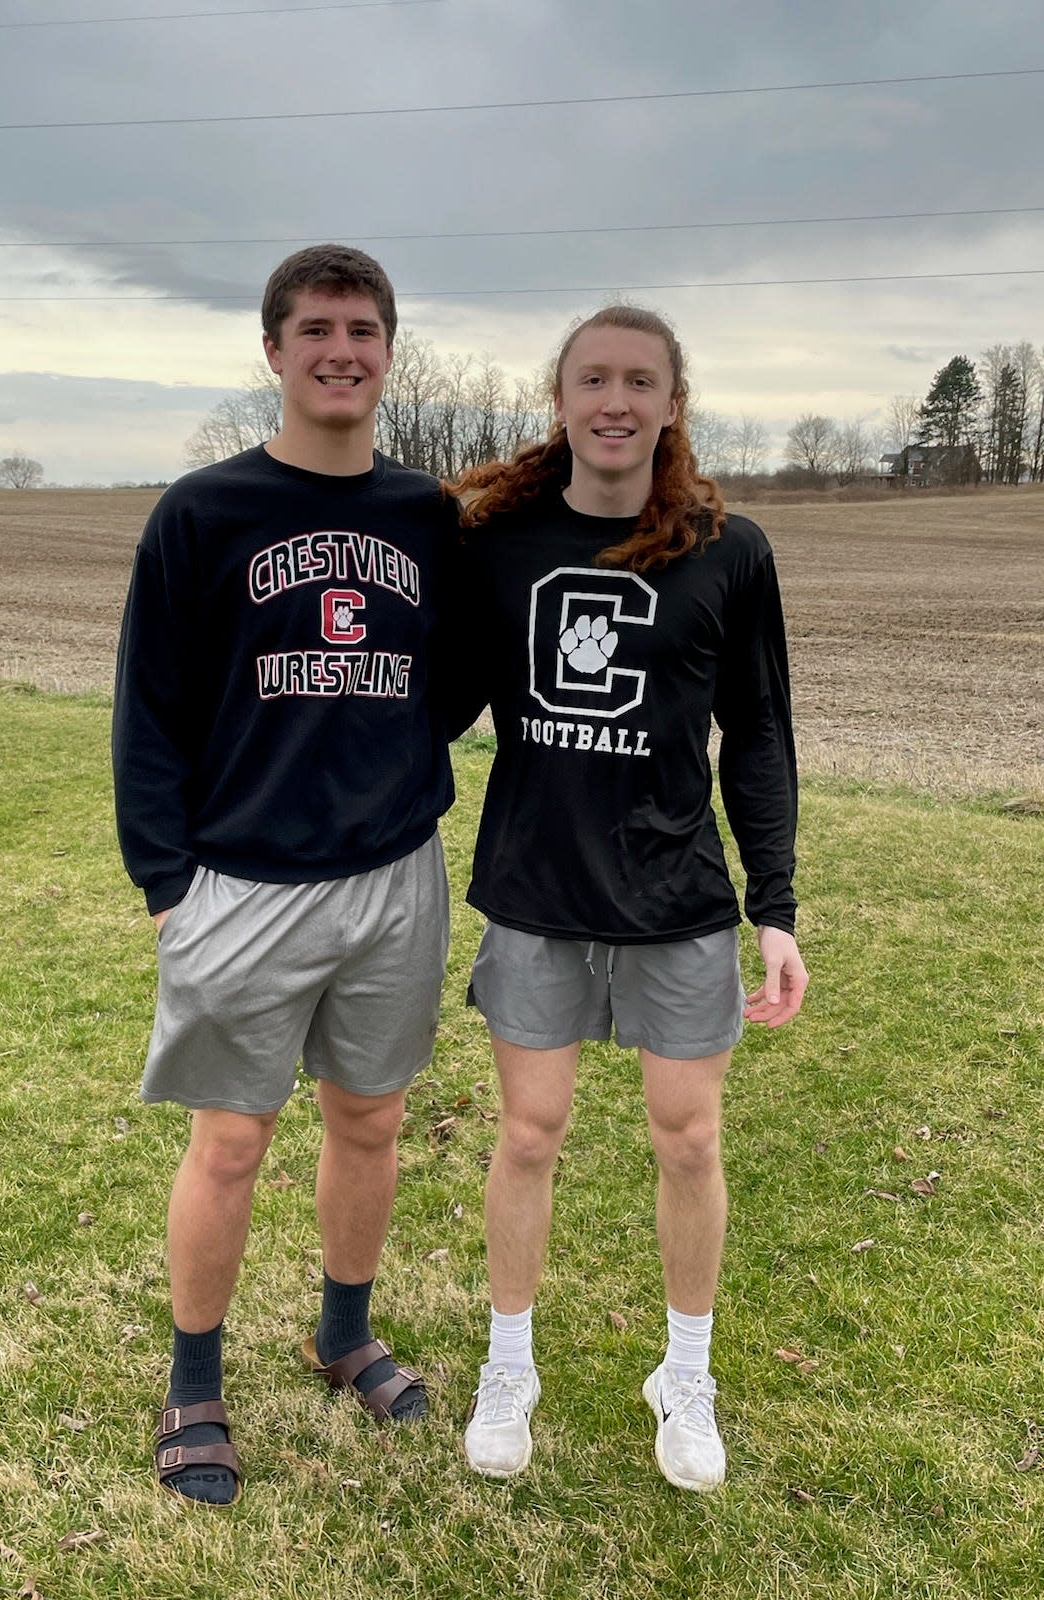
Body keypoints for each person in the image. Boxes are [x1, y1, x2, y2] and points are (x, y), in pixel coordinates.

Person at [112, 244, 457, 1506]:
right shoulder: (203, 514)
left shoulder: (424, 516)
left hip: (392, 873)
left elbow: (452, 669)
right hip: (241, 882)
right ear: (273, 349)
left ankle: (343, 1330)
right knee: (231, 1139)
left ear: (387, 351)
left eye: (364, 329)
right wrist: (168, 883)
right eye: (316, 328)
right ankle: (194, 1380)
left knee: (370, 1118)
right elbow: (147, 708)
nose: (342, 350)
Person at [450, 305, 808, 1489]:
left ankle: (685, 1376)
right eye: (592, 378)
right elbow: (430, 703)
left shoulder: (729, 549)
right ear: (559, 400)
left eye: (638, 381)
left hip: (676, 899)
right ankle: (512, 1365)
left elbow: (757, 733)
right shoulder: (498, 544)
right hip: (536, 890)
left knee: (689, 1136)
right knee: (529, 1132)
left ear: (671, 403)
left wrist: (777, 904)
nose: (615, 400)